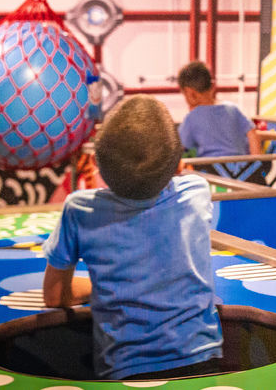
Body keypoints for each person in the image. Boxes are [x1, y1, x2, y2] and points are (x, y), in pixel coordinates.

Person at [42, 95, 223, 380]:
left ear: (98, 167)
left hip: (125, 372)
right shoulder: (196, 192)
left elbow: (54, 297)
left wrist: (101, 287)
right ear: (177, 166)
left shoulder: (79, 210)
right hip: (206, 361)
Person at [176, 60, 276, 157]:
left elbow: (179, 148)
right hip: (241, 170)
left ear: (189, 93)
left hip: (212, 173)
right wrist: (257, 162)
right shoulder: (232, 109)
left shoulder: (191, 119)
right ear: (212, 86)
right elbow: (252, 134)